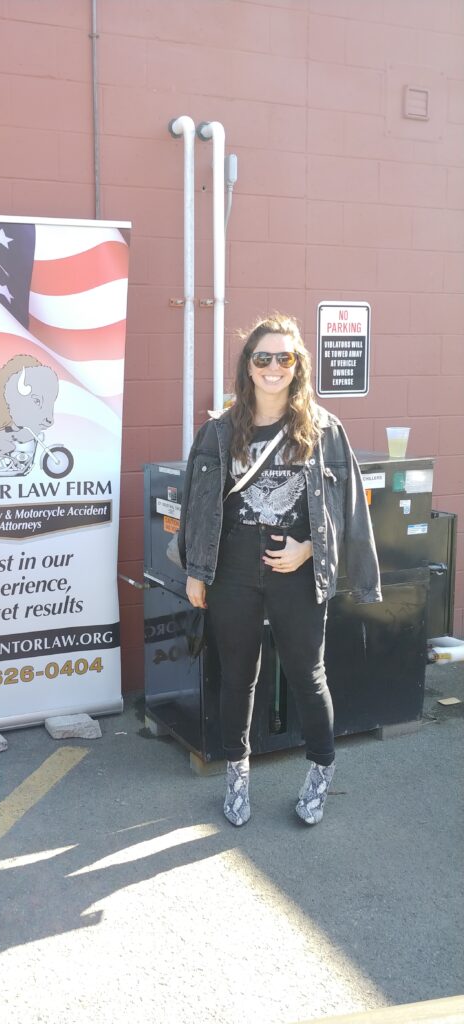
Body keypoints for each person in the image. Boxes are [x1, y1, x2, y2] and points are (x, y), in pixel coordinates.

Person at [177, 313, 381, 827]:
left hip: (296, 568)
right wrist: (196, 571)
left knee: (308, 676)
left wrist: (308, 548)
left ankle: (320, 773)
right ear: (247, 366)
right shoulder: (218, 432)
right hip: (233, 569)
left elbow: (347, 507)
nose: (273, 367)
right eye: (262, 357)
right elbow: (196, 505)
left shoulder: (325, 430)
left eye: (284, 358)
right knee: (237, 678)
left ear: (298, 366)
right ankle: (237, 776)